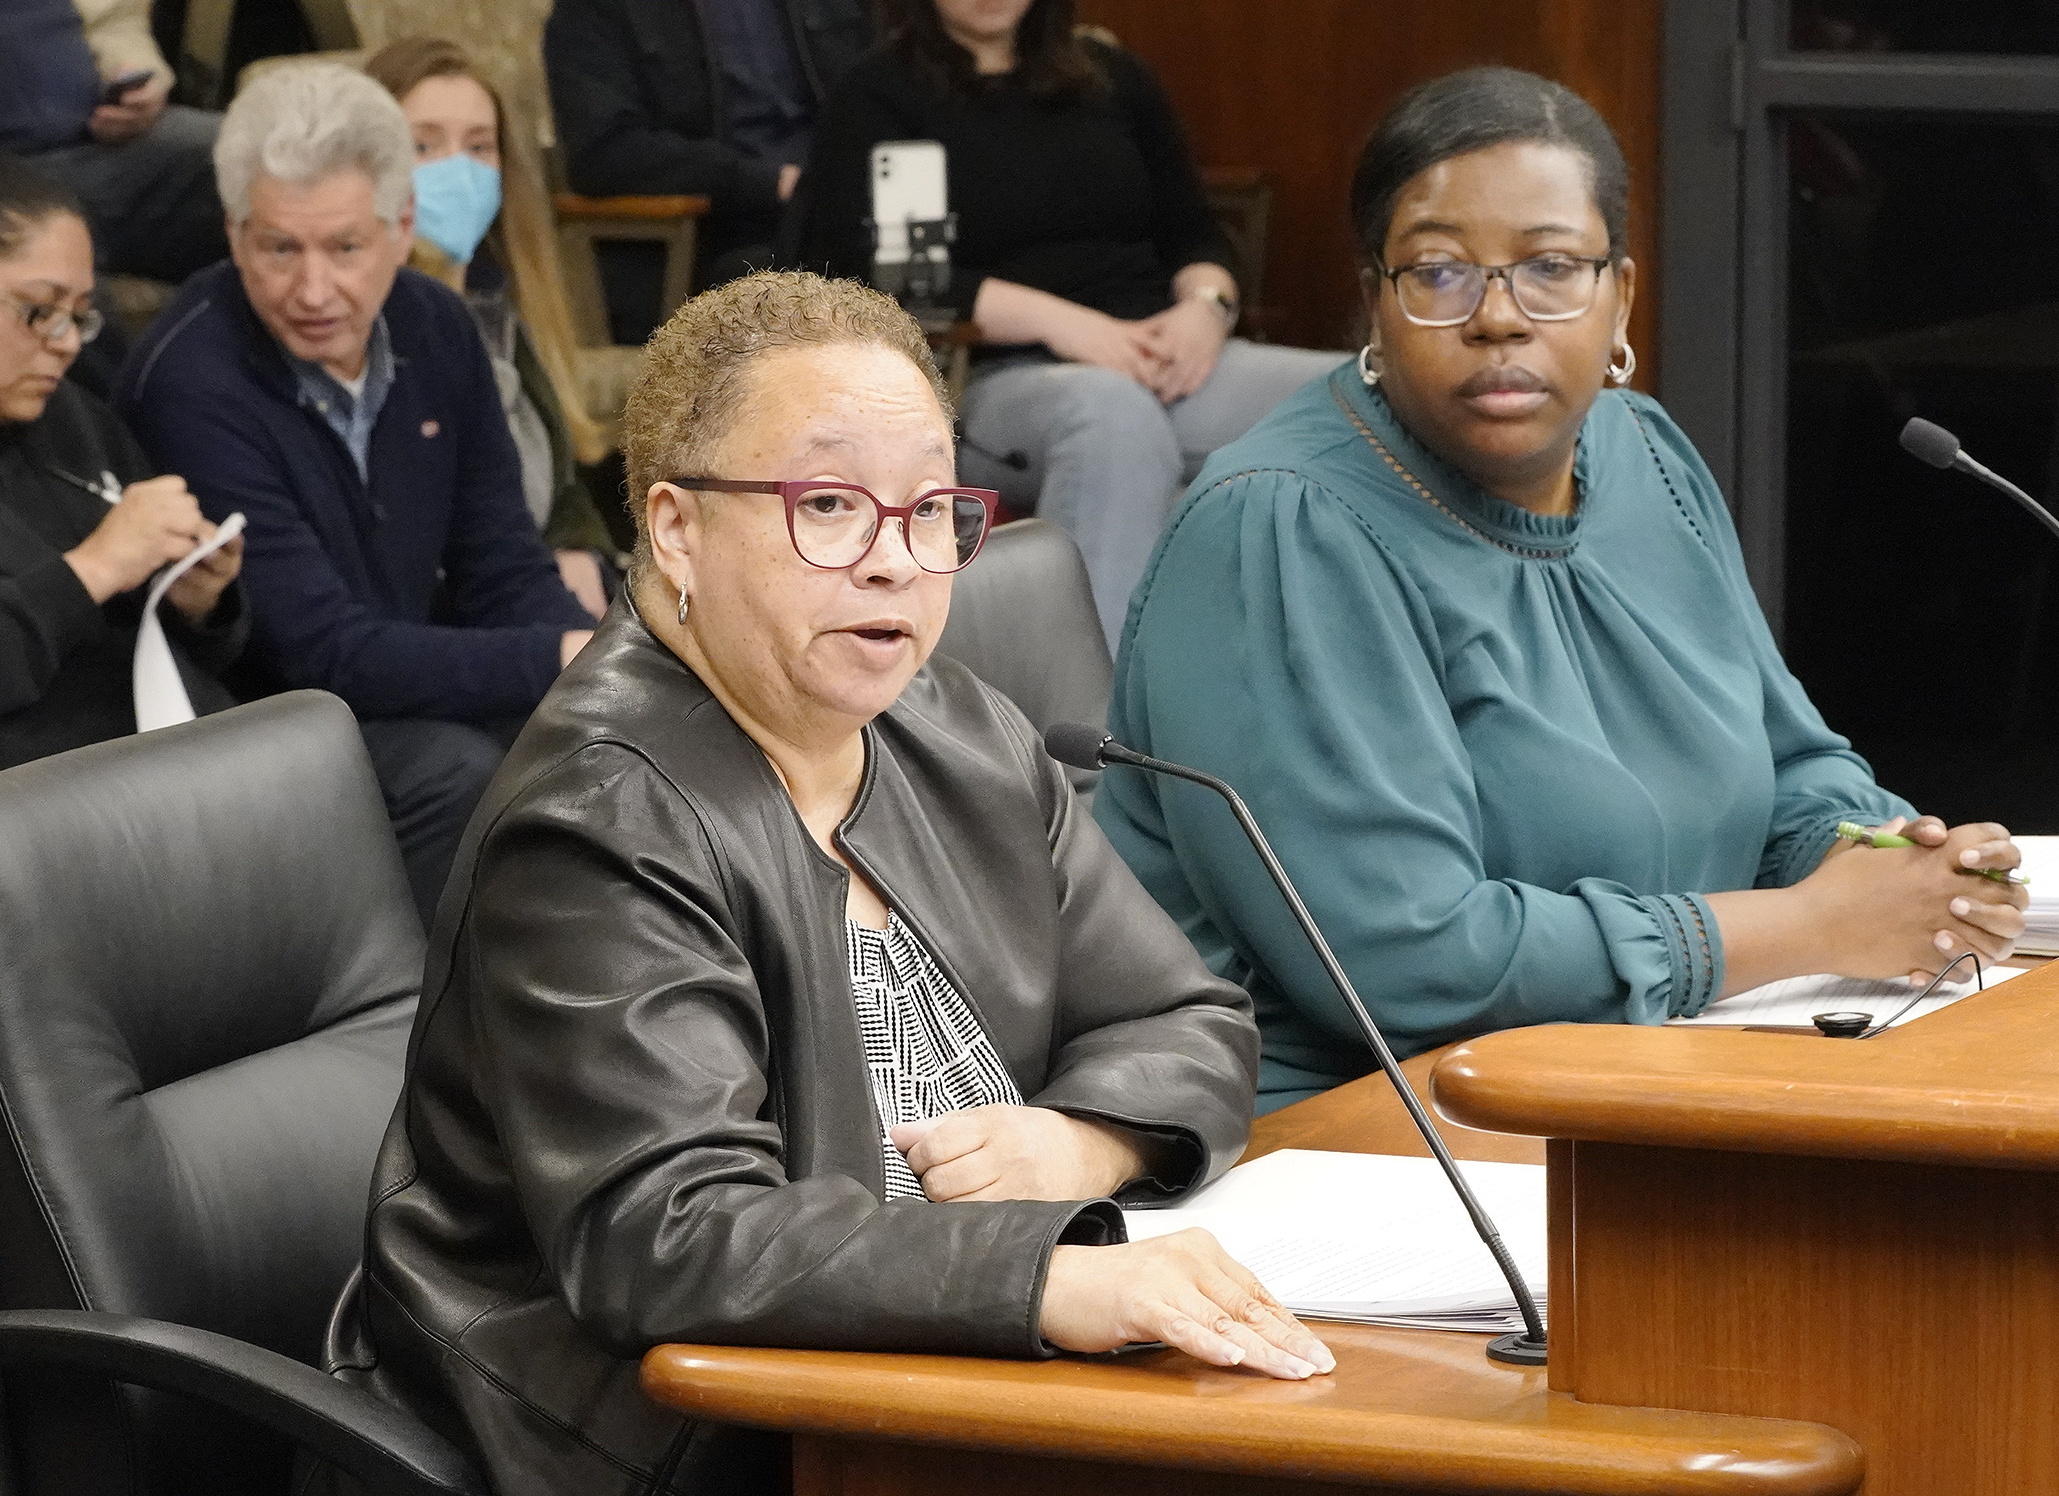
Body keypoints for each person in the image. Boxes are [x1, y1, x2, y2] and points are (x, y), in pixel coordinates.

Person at [323, 270, 1331, 1494]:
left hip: (940, 1389)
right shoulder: (599, 819)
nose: (895, 563)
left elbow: (1185, 1017)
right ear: (679, 529)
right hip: (674, 1440)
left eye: (927, 512)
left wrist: (1083, 1148)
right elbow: (673, 1236)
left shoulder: (951, 725)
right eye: (831, 507)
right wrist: (1049, 1276)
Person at [1095, 67, 2029, 1111]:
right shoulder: (1279, 529)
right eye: (1440, 273)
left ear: (1620, 294)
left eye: (1549, 267)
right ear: (1375, 302)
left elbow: (1788, 767)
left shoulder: (1644, 452)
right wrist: (1814, 927)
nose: (1499, 317)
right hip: (1361, 1134)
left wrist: (1892, 865)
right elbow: (1406, 968)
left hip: (1645, 1075)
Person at [116, 62, 595, 926]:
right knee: (464, 765)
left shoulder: (437, 328)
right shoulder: (191, 380)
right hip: (262, 721)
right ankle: (422, 1041)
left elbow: (502, 566)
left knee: (599, 739)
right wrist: (551, 662)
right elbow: (320, 656)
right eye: (278, 248)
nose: (312, 290)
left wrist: (592, 663)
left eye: (344, 247)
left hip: (397, 674)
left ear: (401, 226)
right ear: (233, 234)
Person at [789, 0, 1346, 648]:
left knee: (1358, 397)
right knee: (1112, 414)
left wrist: (1205, 311)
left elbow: (1196, 232)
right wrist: (1064, 326)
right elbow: (898, 281)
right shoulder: (882, 95)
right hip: (995, 372)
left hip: (1160, 355)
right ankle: (1088, 732)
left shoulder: (1112, 75)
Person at [0, 157, 243, 770]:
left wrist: (196, 601)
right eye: (38, 310)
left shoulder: (73, 416)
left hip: (172, 752)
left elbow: (199, 657)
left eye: (80, 314)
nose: (66, 341)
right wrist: (94, 569)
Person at [364, 36, 619, 618]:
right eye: (423, 145)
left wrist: (577, 546)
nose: (457, 169)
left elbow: (558, 482)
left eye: (480, 148)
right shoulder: (360, 330)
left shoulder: (501, 308)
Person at [544, 0, 872, 337]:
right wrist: (769, 182)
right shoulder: (597, 6)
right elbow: (604, 151)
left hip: (846, 220)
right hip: (716, 240)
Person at [0, 0, 224, 287]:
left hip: (102, 145)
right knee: (60, 289)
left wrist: (134, 82)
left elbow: (115, 20)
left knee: (247, 155)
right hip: (13, 173)